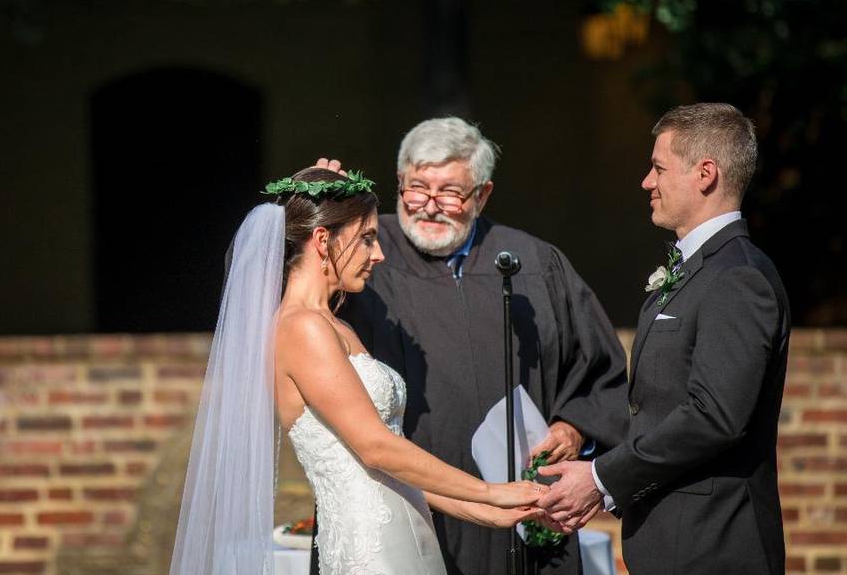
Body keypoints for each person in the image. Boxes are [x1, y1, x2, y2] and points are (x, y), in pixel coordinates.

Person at [169, 167, 551, 575]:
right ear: (322, 240)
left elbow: (385, 459)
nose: (379, 254)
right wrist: (492, 491)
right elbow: (376, 447)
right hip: (371, 549)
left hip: (407, 533)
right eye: (367, 237)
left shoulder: (337, 326)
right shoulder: (301, 328)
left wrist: (477, 511)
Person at [314, 117, 630, 575]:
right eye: (416, 188)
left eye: (451, 193)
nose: (429, 206)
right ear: (399, 181)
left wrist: (574, 429)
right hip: (404, 507)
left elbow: (599, 369)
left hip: (521, 511)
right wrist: (318, 209)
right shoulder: (360, 251)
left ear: (482, 195)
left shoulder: (535, 265)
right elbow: (278, 285)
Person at [536, 103, 791, 575]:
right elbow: (656, 404)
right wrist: (584, 442)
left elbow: (714, 416)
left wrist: (600, 478)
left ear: (706, 173)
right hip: (670, 543)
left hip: (715, 547)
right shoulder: (694, 270)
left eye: (657, 167)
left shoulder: (738, 277)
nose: (646, 182)